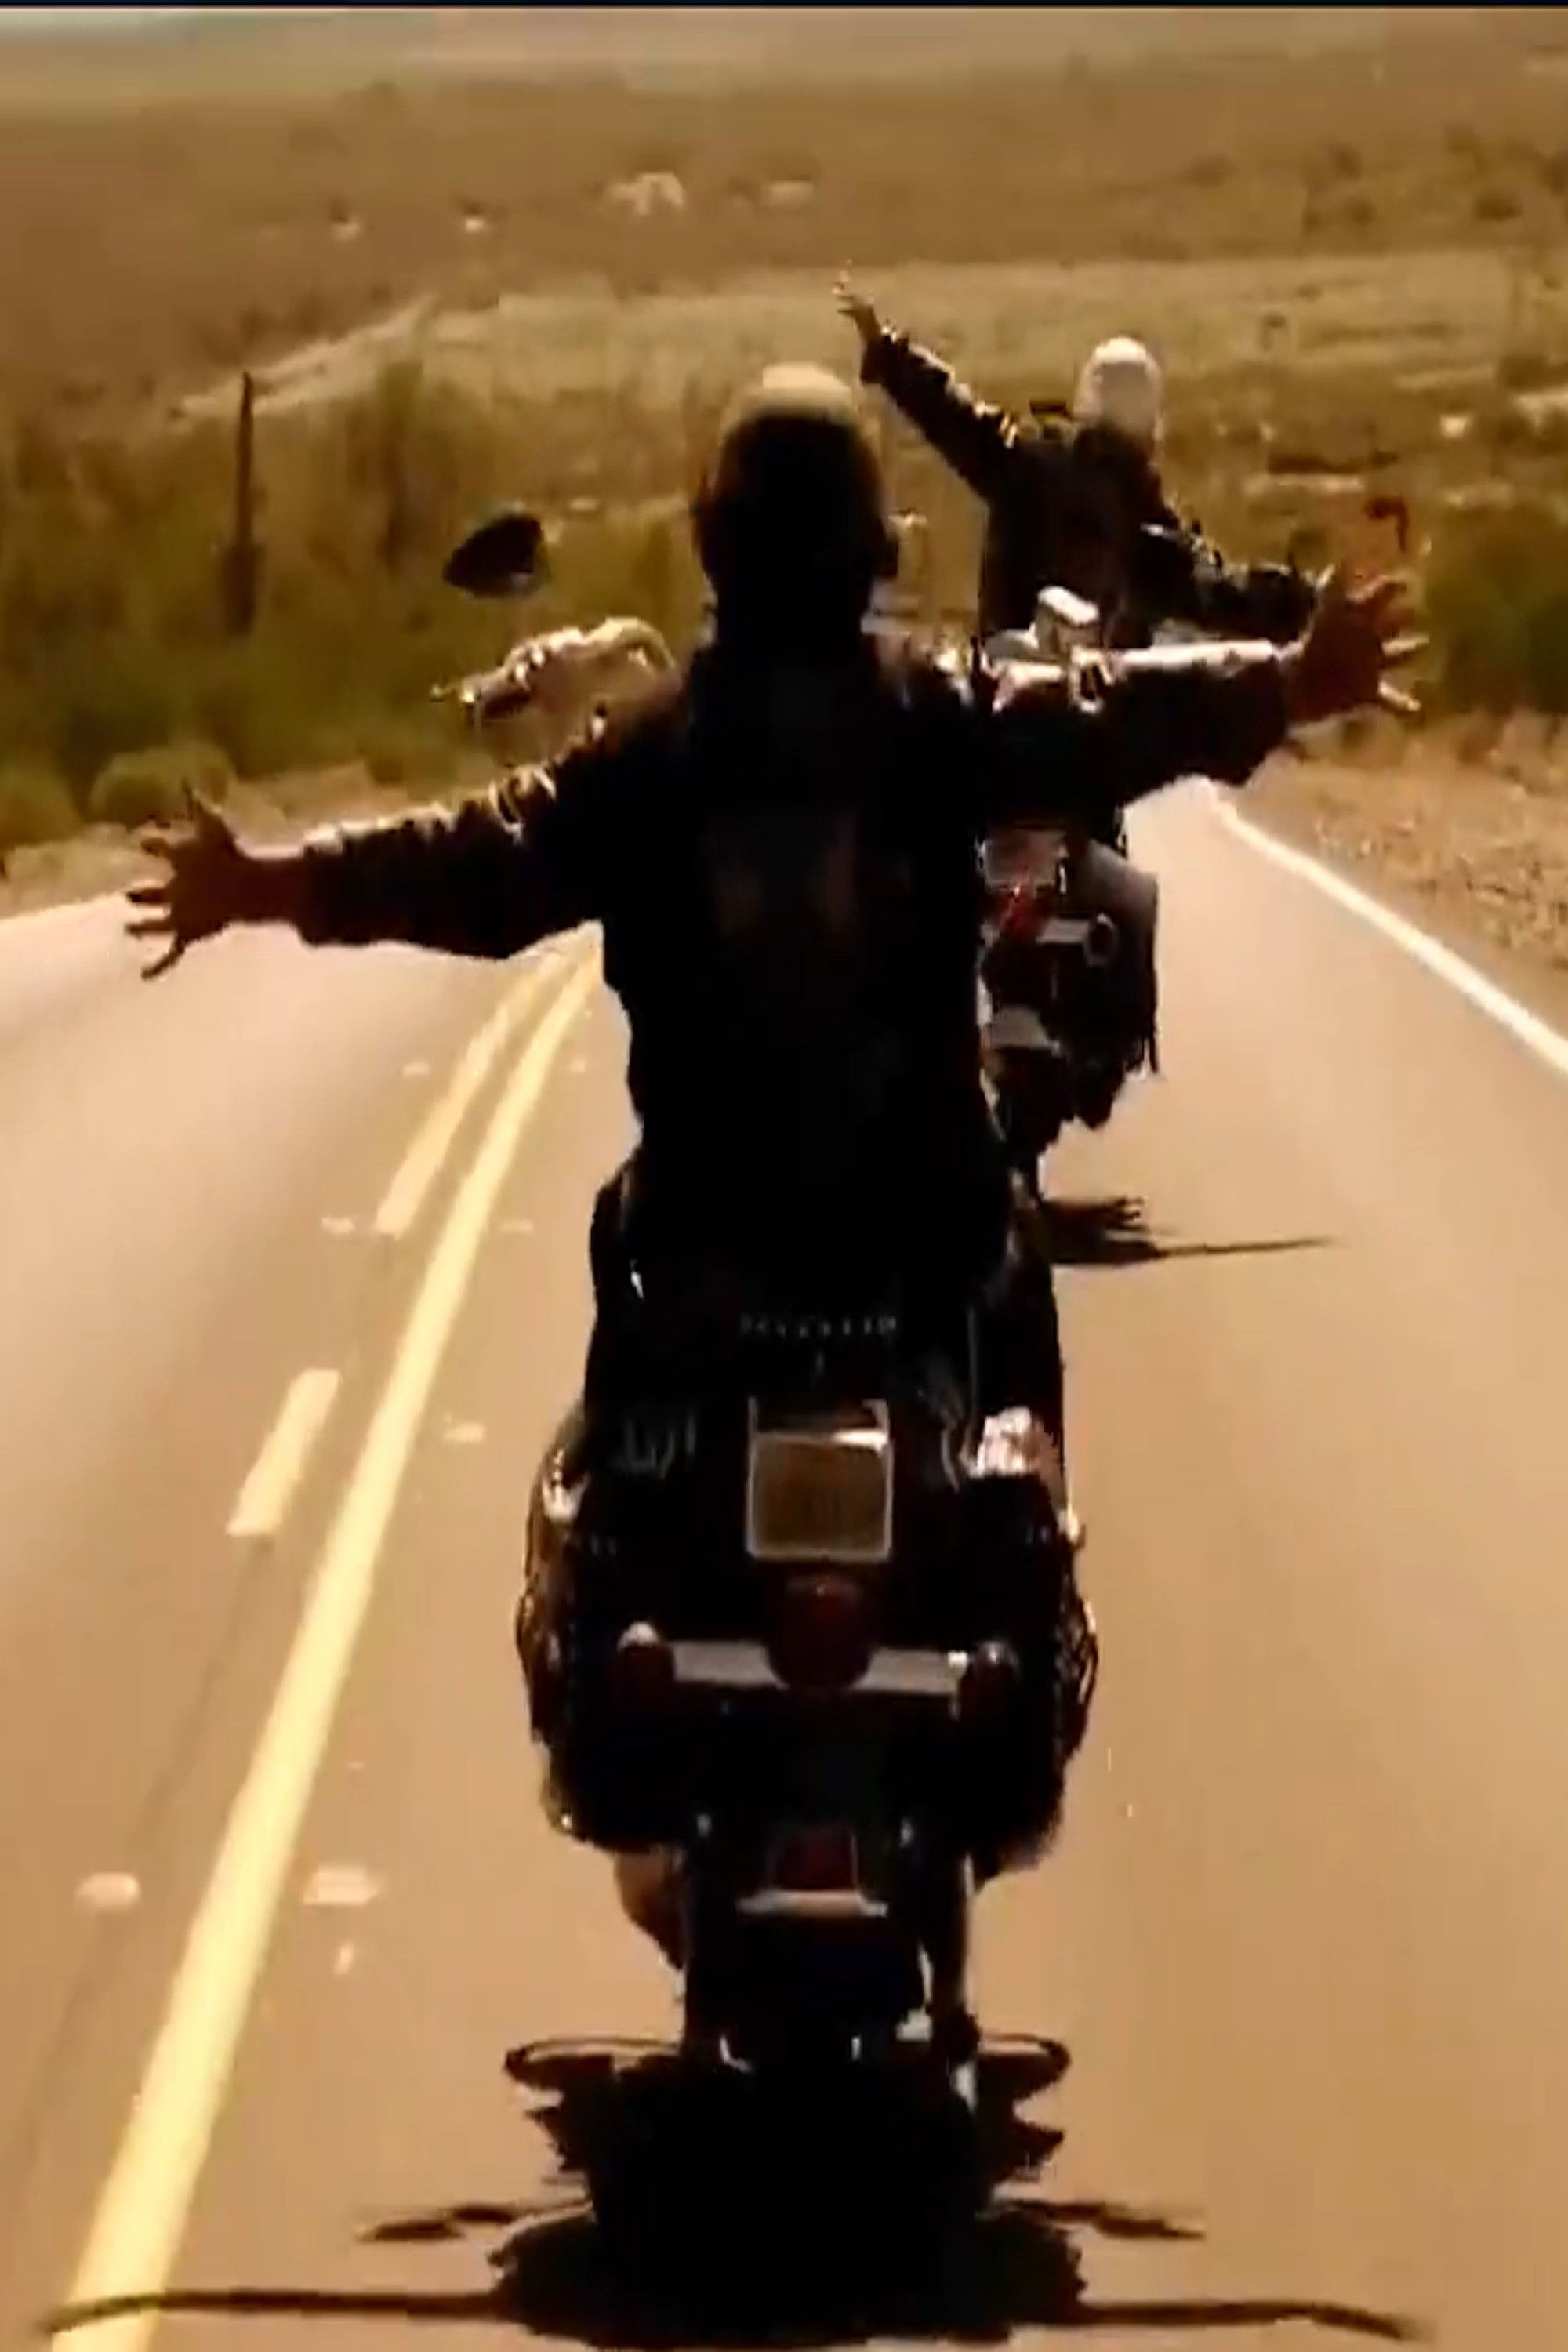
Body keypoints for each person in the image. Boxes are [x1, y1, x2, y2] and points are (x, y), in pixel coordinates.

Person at [127, 361, 1412, 1960]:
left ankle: (642, 1626)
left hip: (709, 1248)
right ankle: (1027, 1625)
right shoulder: (931, 719)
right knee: (1010, 1321)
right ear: (870, 547)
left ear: (714, 544)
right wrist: (1288, 678)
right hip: (919, 1233)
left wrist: (267, 883)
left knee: (620, 1354)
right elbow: (1104, 722)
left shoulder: (652, 755)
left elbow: (473, 862)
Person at [836, 279, 1317, 652]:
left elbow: (951, 413)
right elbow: (1224, 594)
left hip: (1000, 701)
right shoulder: (1148, 528)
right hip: (1086, 724)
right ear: (1150, 427)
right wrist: (1306, 601)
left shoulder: (1022, 462)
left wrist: (887, 350)